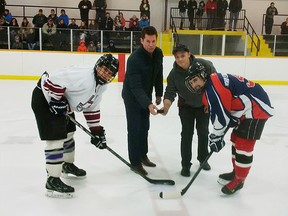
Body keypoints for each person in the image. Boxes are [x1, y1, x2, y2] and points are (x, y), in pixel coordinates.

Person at [31, 54, 119, 198]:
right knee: (56, 139)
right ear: (97, 66)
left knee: (69, 133)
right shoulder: (83, 76)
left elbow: (91, 108)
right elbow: (52, 78)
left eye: (109, 73)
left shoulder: (101, 87)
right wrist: (56, 100)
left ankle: (67, 164)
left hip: (64, 104)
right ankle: (52, 179)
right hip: (44, 99)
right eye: (104, 69)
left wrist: (96, 131)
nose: (105, 74)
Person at [185, 60, 274, 195]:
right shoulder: (212, 83)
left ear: (203, 75)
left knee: (243, 145)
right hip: (248, 109)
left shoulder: (213, 87)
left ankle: (239, 180)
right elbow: (225, 109)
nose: (194, 85)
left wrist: (216, 137)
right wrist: (218, 135)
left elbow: (221, 118)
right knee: (235, 138)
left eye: (195, 80)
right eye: (191, 83)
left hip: (256, 109)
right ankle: (236, 172)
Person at [159, 44, 213, 177]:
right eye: (177, 57)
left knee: (203, 132)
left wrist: (210, 102)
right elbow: (170, 92)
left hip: (203, 106)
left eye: (182, 56)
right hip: (186, 107)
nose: (180, 59)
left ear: (189, 54)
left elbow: (215, 83)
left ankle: (203, 159)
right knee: (187, 135)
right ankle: (185, 165)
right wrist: (166, 107)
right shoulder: (173, 74)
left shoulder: (203, 64)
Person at [122, 26, 163, 176]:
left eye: (153, 41)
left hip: (146, 94)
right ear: (141, 40)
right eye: (148, 41)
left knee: (144, 126)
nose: (151, 44)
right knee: (134, 129)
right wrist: (148, 103)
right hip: (132, 97)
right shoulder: (134, 59)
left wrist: (159, 93)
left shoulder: (158, 53)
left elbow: (159, 74)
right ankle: (135, 162)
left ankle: (142, 155)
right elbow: (135, 87)